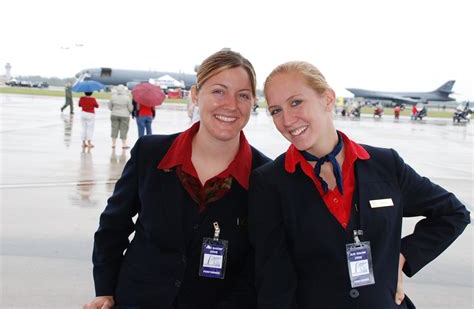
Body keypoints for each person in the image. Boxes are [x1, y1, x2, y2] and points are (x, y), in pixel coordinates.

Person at [248, 61, 470, 309]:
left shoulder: (386, 165)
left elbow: (453, 213)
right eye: (276, 110)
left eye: (296, 102)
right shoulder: (269, 182)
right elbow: (273, 281)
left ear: (328, 99)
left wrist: (402, 257)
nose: (287, 120)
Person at [83, 50, 270, 309]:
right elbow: (113, 227)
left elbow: (261, 264)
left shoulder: (264, 177)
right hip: (137, 300)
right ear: (195, 95)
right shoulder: (150, 154)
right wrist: (105, 290)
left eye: (243, 95)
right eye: (219, 91)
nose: (231, 104)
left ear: (253, 102)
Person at [108, 84, 133, 149]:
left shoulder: (113, 97)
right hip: (125, 115)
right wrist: (129, 112)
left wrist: (113, 110)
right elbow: (130, 107)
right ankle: (124, 144)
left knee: (114, 128)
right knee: (124, 129)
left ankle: (113, 144)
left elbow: (110, 106)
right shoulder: (127, 97)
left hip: (114, 114)